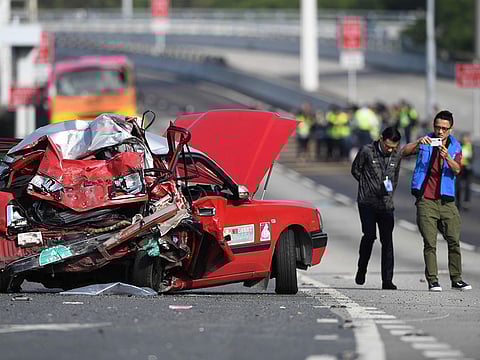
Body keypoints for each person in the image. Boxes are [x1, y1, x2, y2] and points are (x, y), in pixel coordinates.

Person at [401, 110, 472, 292]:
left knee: (454, 241)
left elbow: (457, 170)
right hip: (426, 199)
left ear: (450, 129)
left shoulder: (455, 147)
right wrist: (418, 142)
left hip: (447, 201)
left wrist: (446, 156)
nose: (440, 132)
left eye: (444, 128)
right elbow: (403, 152)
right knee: (429, 242)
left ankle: (456, 279)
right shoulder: (425, 142)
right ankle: (433, 280)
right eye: (437, 127)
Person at [351, 126, 402, 290]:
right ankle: (362, 268)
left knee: (387, 241)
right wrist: (367, 185)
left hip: (386, 204)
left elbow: (395, 178)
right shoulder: (367, 151)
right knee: (369, 235)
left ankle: (387, 280)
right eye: (387, 145)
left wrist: (389, 191)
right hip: (367, 202)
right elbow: (355, 170)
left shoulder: (396, 156)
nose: (389, 149)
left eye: (393, 147)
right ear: (381, 139)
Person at [456, 133, 473, 211]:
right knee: (458, 186)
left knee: (467, 186)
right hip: (460, 167)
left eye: (467, 138)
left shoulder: (470, 146)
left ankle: (466, 202)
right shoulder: (460, 146)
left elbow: (473, 157)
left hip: (468, 168)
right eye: (464, 138)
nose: (465, 139)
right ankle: (458, 202)